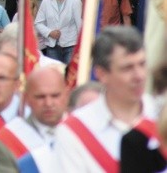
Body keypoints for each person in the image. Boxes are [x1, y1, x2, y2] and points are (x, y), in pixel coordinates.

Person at [56, 27, 162, 171]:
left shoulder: (161, 115)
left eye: (142, 64)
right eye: (127, 68)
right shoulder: (73, 132)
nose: (139, 76)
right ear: (102, 74)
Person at [0, 67, 67, 172]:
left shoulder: (83, 130)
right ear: (26, 99)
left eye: (55, 96)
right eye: (40, 97)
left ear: (67, 95)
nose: (49, 103)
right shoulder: (6, 140)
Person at [34, 0, 82, 64]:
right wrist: (49, 32)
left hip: (71, 45)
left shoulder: (75, 1)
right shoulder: (46, 2)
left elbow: (80, 26)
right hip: (52, 46)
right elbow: (38, 23)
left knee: (69, 75)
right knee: (55, 74)